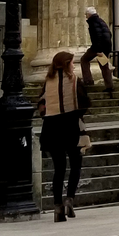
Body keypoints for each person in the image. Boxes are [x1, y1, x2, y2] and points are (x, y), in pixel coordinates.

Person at [37, 50, 88, 221]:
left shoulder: (48, 82)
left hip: (51, 128)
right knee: (75, 164)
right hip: (70, 125)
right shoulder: (74, 80)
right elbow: (84, 102)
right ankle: (69, 199)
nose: (74, 65)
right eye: (72, 62)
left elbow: (41, 105)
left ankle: (57, 206)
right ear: (67, 64)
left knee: (58, 169)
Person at [83, 6, 115, 95]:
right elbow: (109, 35)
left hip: (98, 48)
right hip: (105, 47)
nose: (86, 16)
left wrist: (99, 50)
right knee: (104, 66)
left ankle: (88, 81)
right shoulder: (101, 21)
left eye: (86, 14)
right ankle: (109, 86)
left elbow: (97, 37)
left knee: (84, 59)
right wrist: (107, 50)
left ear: (89, 14)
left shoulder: (93, 22)